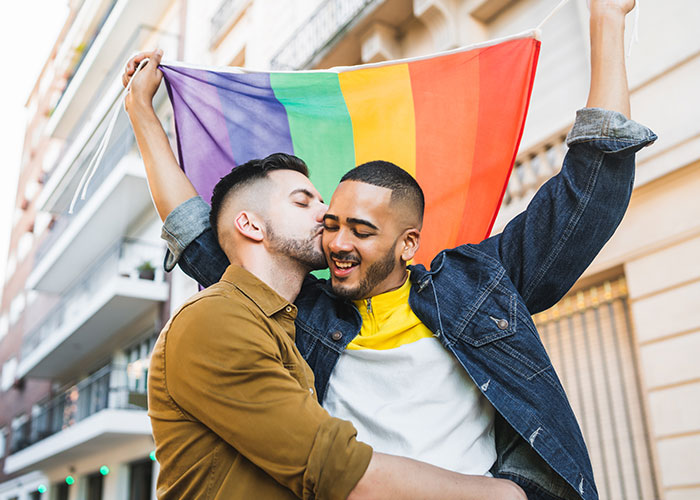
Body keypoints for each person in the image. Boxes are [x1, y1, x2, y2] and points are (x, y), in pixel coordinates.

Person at [125, 0, 655, 498]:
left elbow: (587, 195)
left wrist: (606, 19)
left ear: (408, 244)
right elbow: (198, 231)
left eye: (359, 229)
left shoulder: (476, 283)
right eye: (328, 223)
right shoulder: (296, 314)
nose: (335, 241)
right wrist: (143, 116)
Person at [144, 151, 526, 499]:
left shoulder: (286, 325)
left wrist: (142, 111)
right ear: (251, 226)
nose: (325, 214)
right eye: (303, 201)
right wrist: (502, 494)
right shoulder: (215, 320)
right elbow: (334, 469)